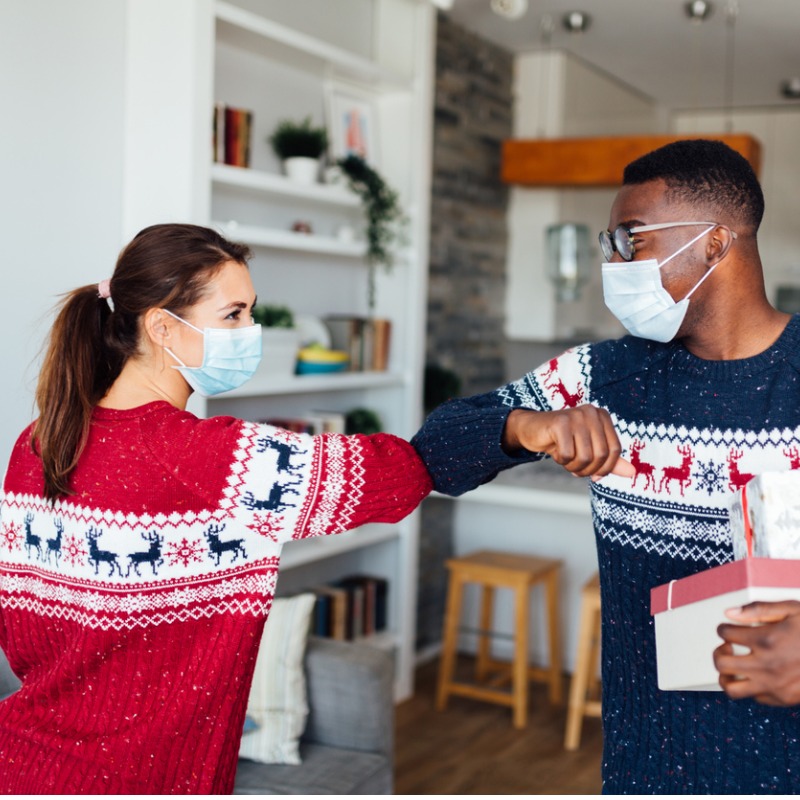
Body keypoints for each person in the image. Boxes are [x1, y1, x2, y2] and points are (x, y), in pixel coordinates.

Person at [411, 138, 800, 794]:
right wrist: (524, 425)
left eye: (632, 240)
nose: (614, 264)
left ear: (714, 241)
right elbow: (434, 452)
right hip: (642, 765)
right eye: (609, 244)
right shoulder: (603, 375)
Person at [0, 223, 432, 794]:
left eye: (250, 313)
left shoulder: (37, 441)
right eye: (233, 315)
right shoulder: (206, 455)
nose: (251, 331)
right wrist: (510, 424)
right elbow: (398, 476)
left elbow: (20, 638)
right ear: (160, 327)